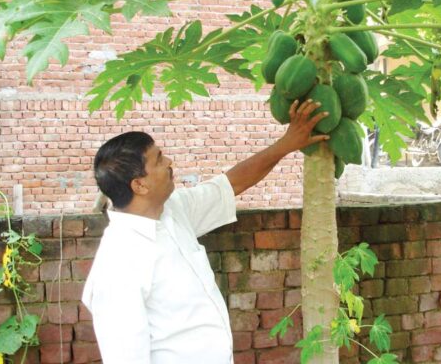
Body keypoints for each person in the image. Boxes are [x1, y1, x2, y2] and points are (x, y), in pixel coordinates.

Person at [81, 99, 329, 364]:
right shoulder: (118, 263)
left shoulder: (173, 209)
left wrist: (287, 143)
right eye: (159, 159)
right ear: (140, 185)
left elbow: (231, 183)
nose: (169, 162)